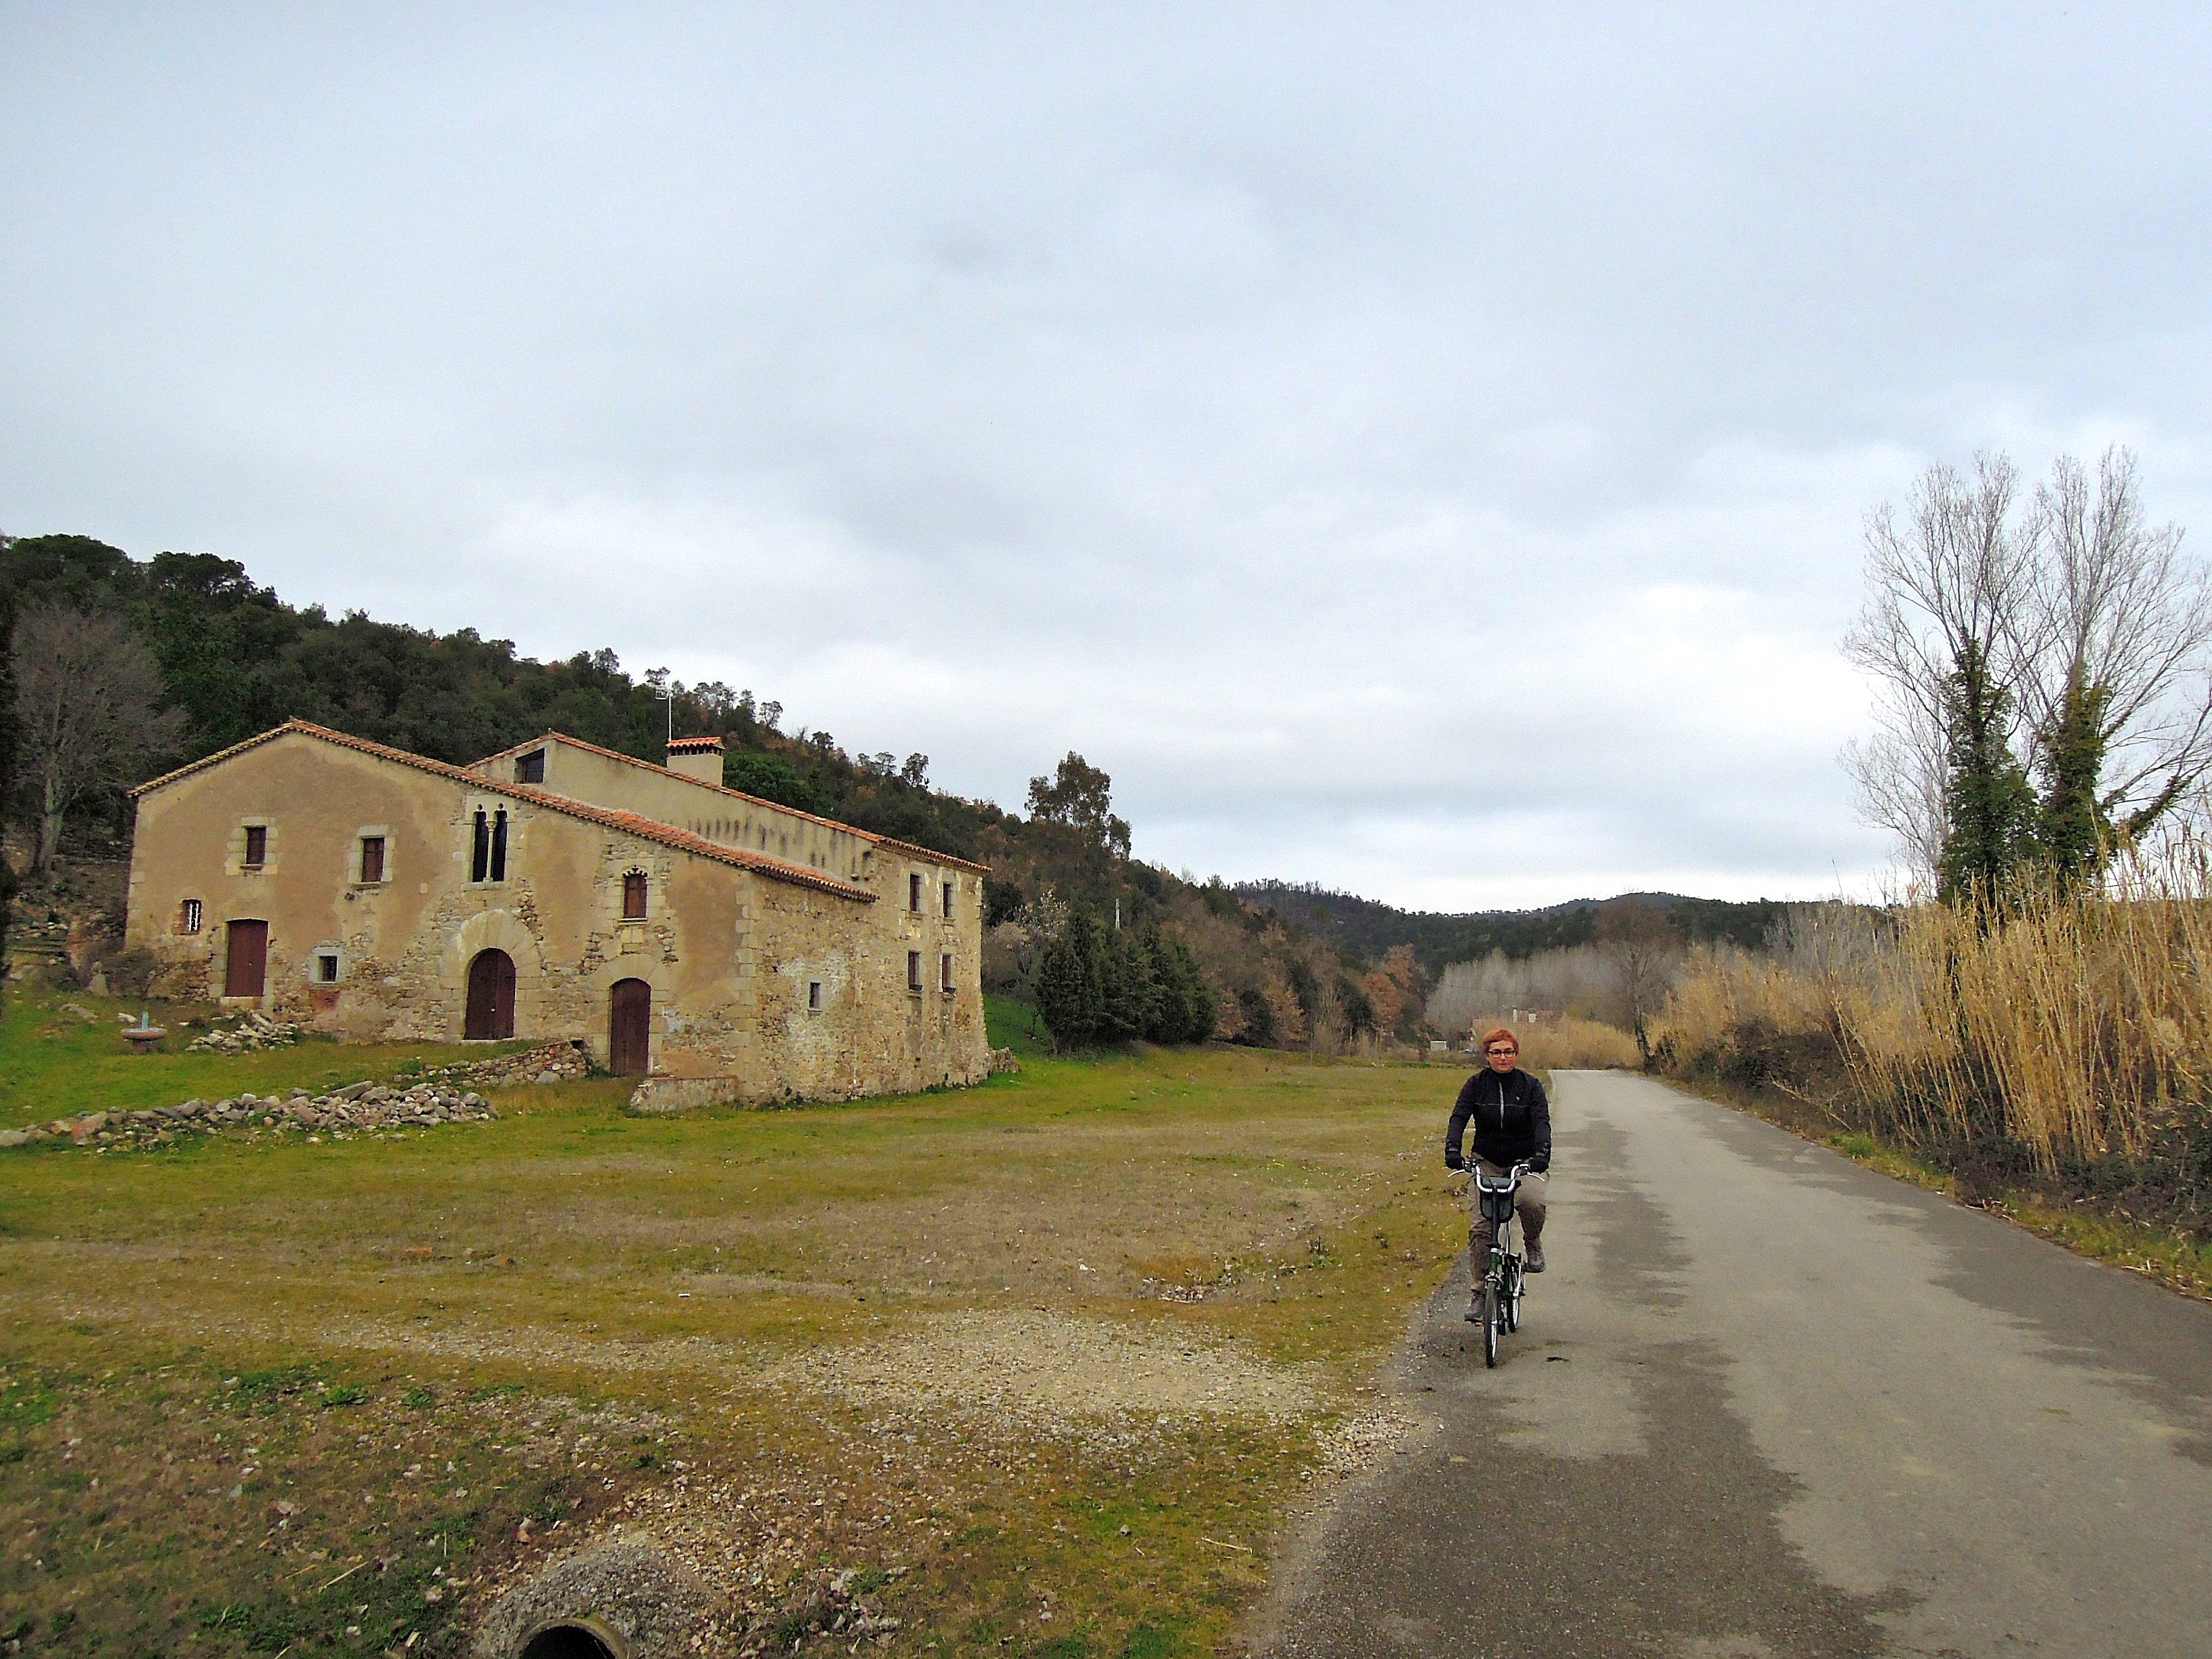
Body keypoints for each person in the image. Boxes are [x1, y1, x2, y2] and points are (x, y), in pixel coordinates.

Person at [1445, 1027, 1551, 1319]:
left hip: (1525, 1162)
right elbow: (1459, 1117)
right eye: (1496, 1052)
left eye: (1508, 1052)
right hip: (1486, 1161)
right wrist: (1453, 1150)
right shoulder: (1475, 1085)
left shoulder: (1531, 1086)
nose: (1502, 1057)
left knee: (1532, 1201)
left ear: (1516, 1054)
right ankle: (1480, 1293)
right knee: (1481, 1227)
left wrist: (1541, 1156)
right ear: (1487, 1056)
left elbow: (1542, 1123)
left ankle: (1532, 1242)